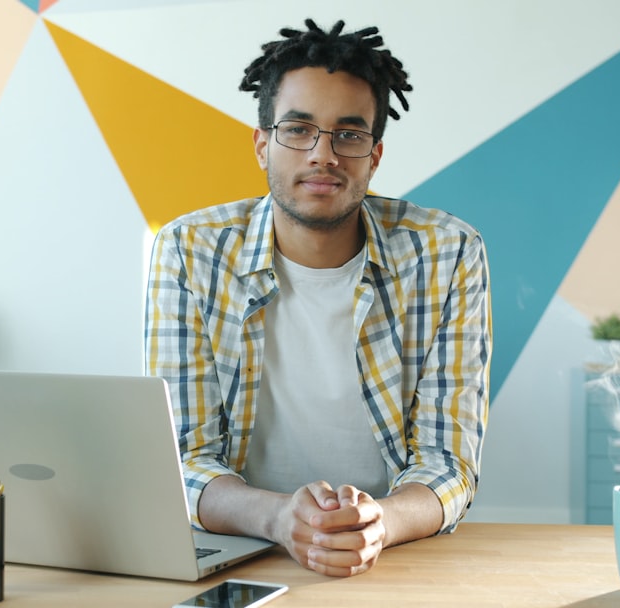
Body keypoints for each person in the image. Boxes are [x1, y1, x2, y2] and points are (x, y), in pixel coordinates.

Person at [144, 18, 491, 578]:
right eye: (299, 129)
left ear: (374, 157)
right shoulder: (189, 250)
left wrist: (378, 523)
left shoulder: (447, 252)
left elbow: (447, 462)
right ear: (262, 145)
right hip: (241, 551)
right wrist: (281, 518)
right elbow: (182, 459)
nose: (323, 154)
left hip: (391, 558)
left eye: (348, 135)